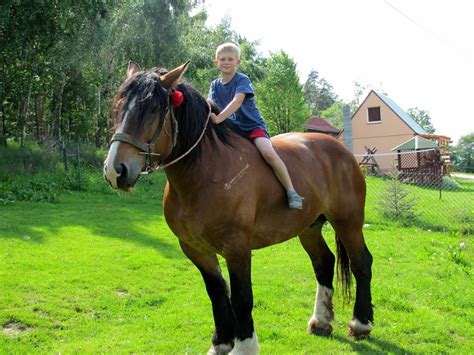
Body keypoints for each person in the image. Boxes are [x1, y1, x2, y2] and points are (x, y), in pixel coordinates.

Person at [208, 42, 304, 209]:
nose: (226, 62)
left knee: (268, 153)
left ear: (238, 62)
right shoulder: (215, 85)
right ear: (216, 63)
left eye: (230, 59)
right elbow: (210, 103)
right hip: (231, 129)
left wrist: (218, 118)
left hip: (251, 127)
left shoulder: (242, 80)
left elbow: (237, 101)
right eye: (222, 59)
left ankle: (291, 191)